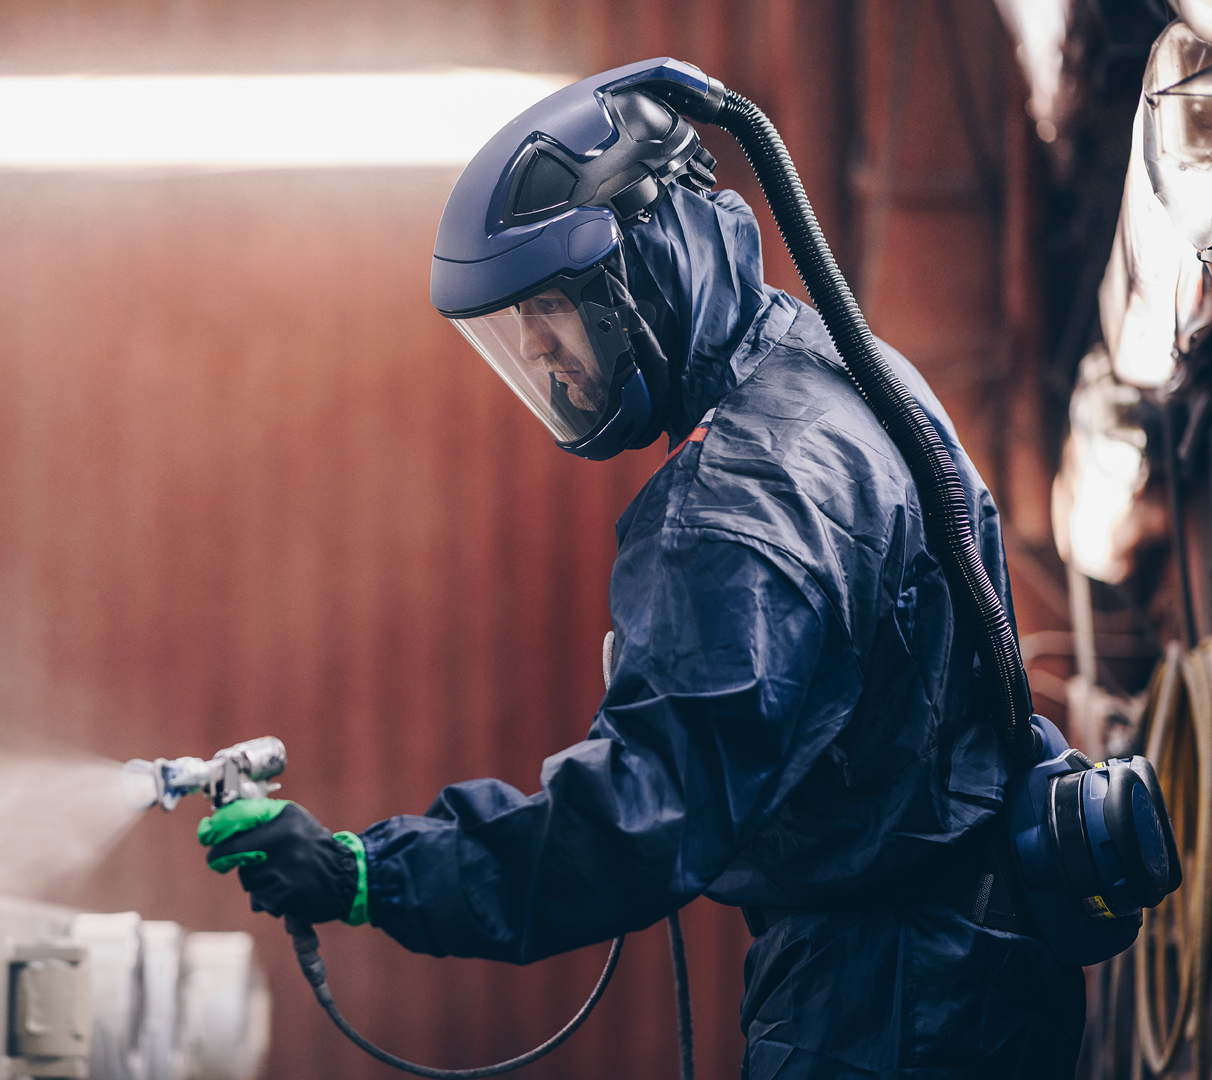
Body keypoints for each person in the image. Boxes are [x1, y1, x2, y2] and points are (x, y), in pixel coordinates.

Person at [199, 61, 1085, 1078]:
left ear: (642, 264)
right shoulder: (834, 368)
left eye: (548, 310)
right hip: (974, 961)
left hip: (886, 999)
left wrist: (363, 874)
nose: (539, 356)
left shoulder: (742, 496)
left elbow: (638, 820)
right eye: (514, 332)